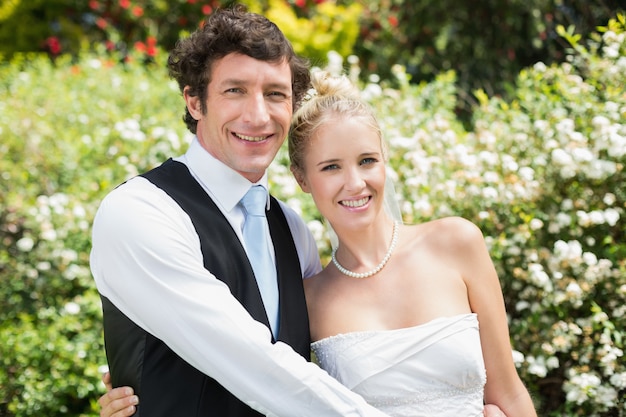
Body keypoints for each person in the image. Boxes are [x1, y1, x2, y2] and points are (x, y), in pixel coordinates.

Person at [90, 4, 391, 417]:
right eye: (235, 90)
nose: (258, 115)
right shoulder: (140, 211)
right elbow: (251, 362)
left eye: (275, 94)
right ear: (195, 102)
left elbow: (337, 355)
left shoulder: (291, 228)